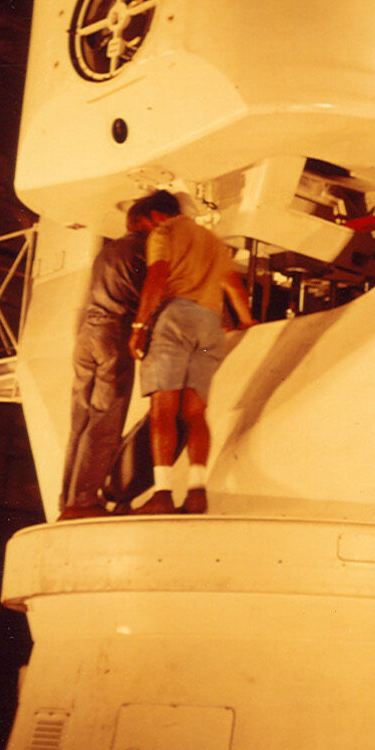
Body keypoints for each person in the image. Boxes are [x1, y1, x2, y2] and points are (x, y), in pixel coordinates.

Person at [127, 191, 255, 514]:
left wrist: (140, 327)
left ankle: (162, 495)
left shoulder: (164, 233)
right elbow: (233, 286)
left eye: (139, 227)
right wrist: (247, 320)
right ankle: (197, 492)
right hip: (210, 325)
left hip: (175, 318)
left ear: (156, 216)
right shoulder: (212, 239)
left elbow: (157, 276)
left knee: (163, 412)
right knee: (196, 414)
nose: (140, 234)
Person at [58, 204, 154, 520]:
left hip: (87, 334)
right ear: (144, 221)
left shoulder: (107, 250)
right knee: (104, 424)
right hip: (114, 334)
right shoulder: (144, 248)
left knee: (80, 422)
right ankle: (84, 502)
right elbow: (150, 295)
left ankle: (69, 500)